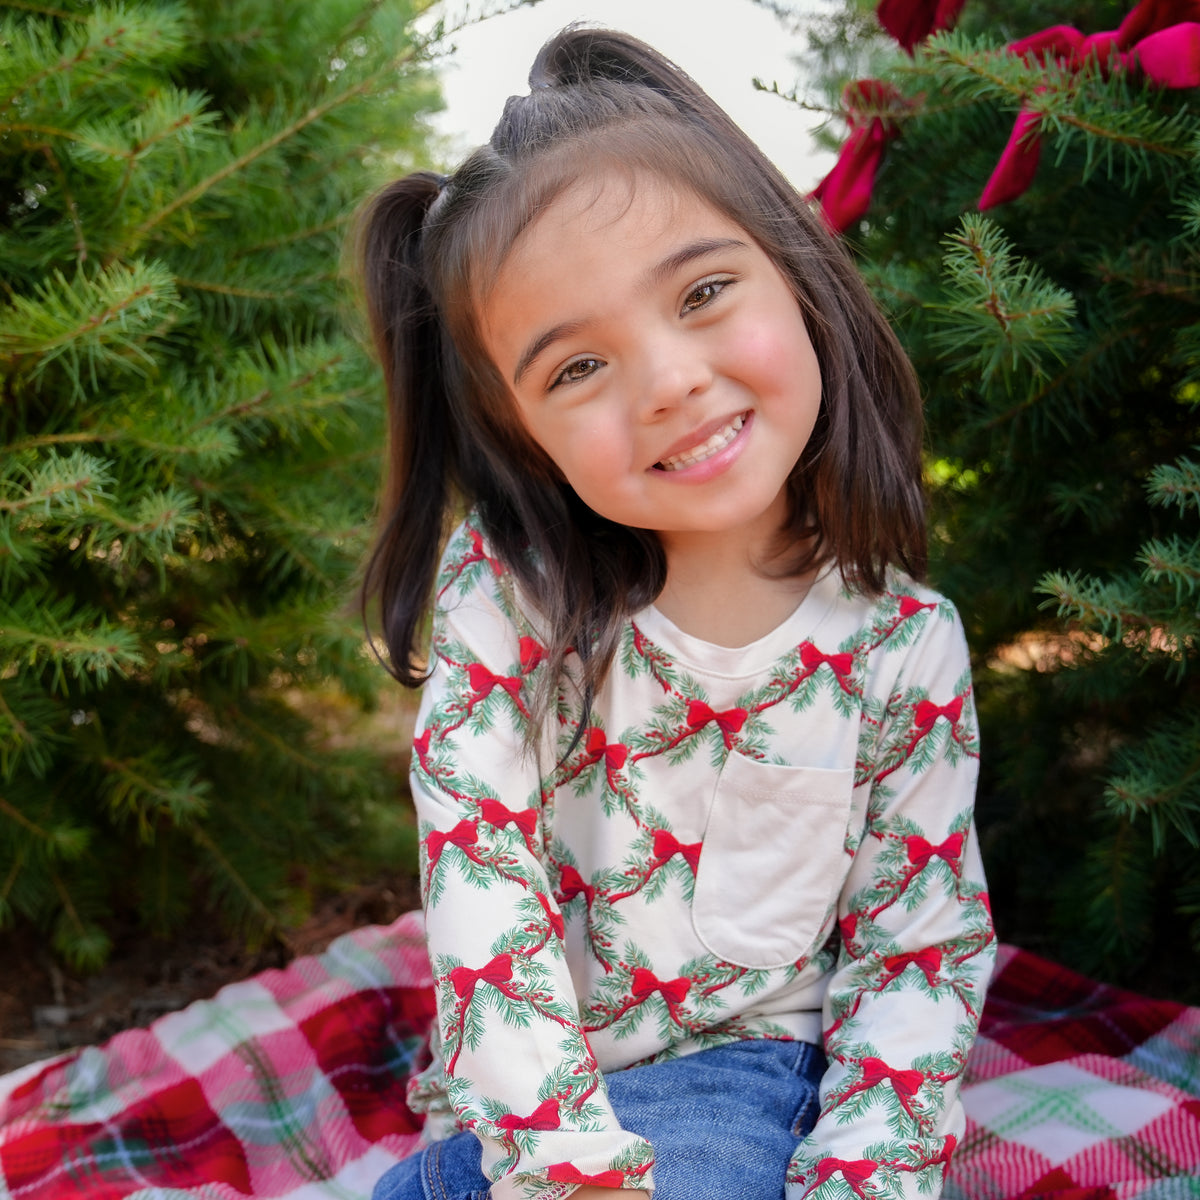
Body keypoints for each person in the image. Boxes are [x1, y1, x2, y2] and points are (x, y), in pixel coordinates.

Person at [359, 26, 994, 1200]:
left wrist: (864, 1178)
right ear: (525, 442)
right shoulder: (509, 599)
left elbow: (919, 952)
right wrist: (556, 1159)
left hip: (741, 1078)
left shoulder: (901, 647)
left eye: (703, 292)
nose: (667, 381)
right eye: (574, 370)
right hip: (520, 1115)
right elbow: (479, 871)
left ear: (795, 272)